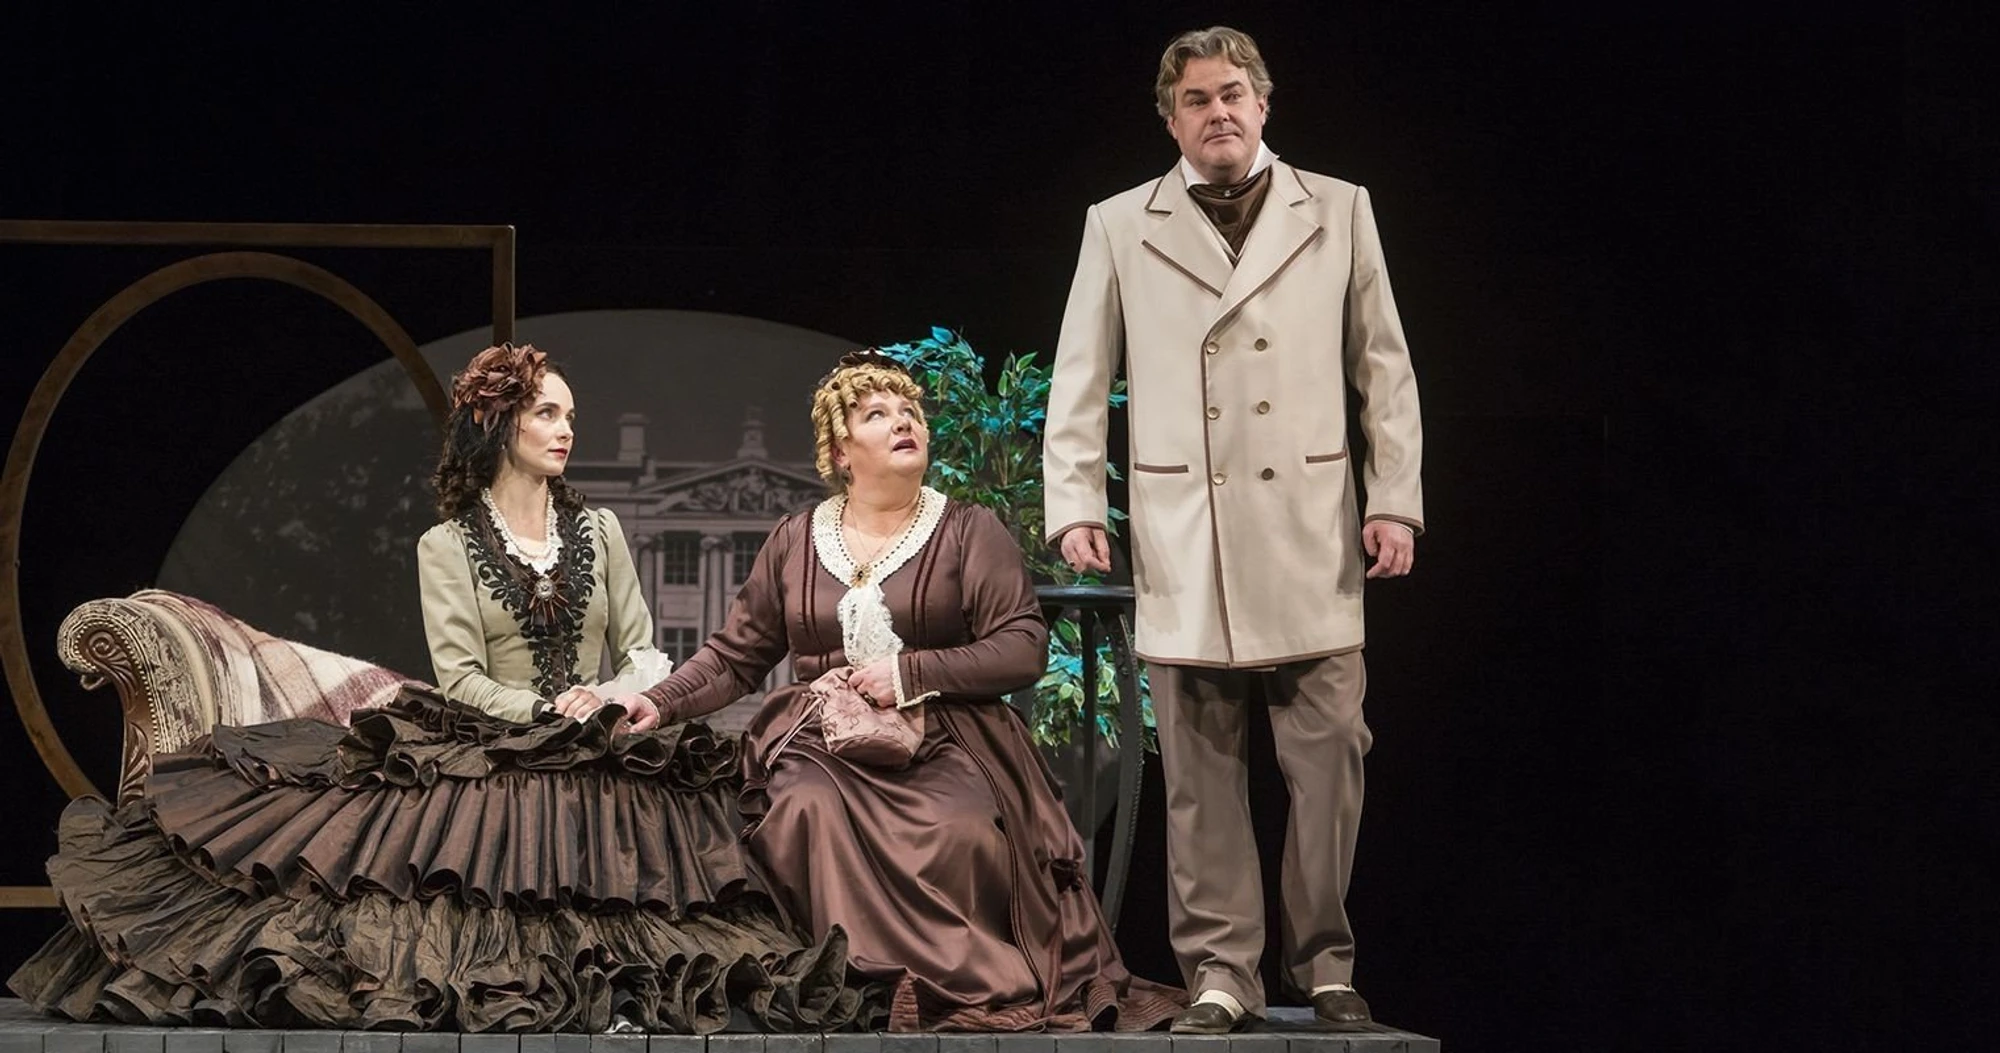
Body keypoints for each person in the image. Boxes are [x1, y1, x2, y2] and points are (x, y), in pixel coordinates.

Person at [6, 343, 876, 1033]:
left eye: (571, 415)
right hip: (496, 738)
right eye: (547, 412)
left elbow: (643, 648)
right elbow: (459, 678)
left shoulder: (602, 528)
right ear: (498, 425)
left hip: (603, 736)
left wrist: (609, 698)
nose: (566, 430)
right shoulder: (447, 546)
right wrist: (545, 710)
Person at [612, 352, 1183, 1032]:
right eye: (877, 414)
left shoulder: (968, 529)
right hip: (824, 743)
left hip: (951, 737)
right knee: (804, 808)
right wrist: (660, 700)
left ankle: (945, 987)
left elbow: (1021, 645)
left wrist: (911, 673)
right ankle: (860, 988)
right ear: (840, 450)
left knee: (956, 829)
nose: (903, 422)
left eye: (909, 411)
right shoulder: (796, 538)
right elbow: (737, 656)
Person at [1041, 26, 1426, 1034]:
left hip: (1308, 522)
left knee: (1331, 756)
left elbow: (1382, 366)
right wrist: (1074, 503)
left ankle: (1325, 961)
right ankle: (1220, 970)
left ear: (1262, 104)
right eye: (1196, 100)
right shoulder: (1120, 223)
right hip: (1188, 525)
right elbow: (1081, 375)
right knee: (1200, 776)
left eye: (1231, 94)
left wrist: (1393, 495)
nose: (1217, 112)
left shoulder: (1338, 207)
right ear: (1170, 121)